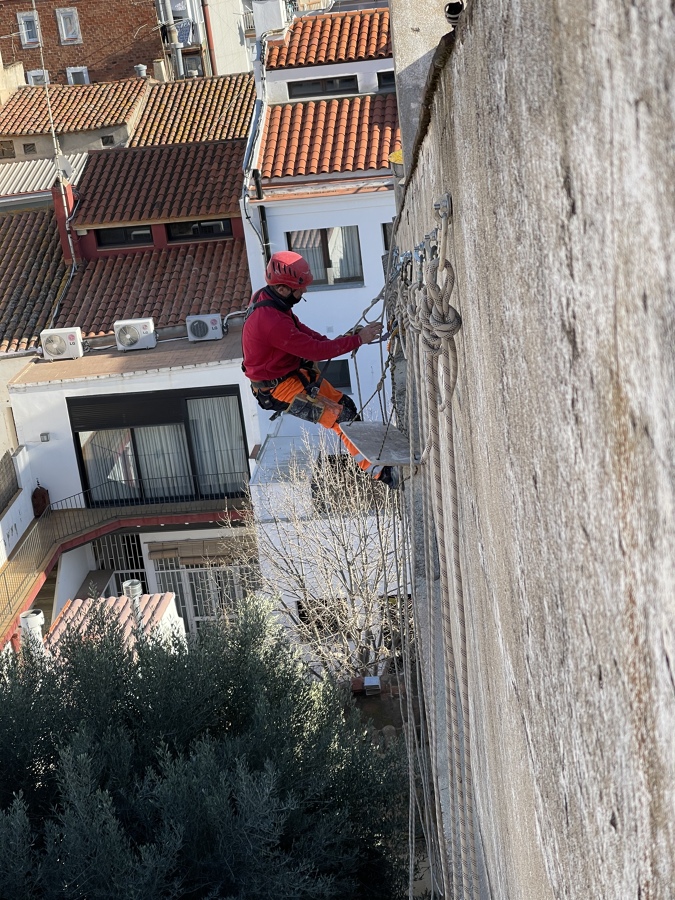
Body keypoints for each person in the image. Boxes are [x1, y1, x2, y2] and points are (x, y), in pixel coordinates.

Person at [242, 251, 396, 485]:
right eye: (299, 289)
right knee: (339, 417)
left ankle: (374, 457)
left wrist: (333, 341)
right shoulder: (269, 321)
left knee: (346, 406)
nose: (303, 292)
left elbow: (300, 330)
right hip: (279, 389)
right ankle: (379, 471)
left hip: (290, 375)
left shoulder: (270, 299)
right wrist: (357, 340)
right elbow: (313, 351)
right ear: (283, 288)